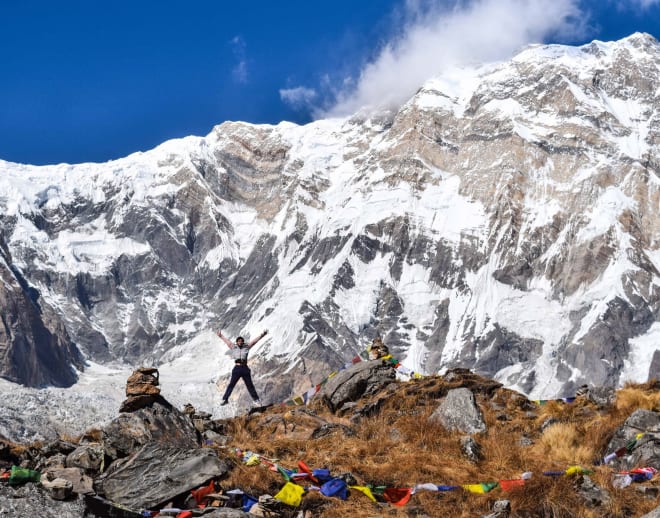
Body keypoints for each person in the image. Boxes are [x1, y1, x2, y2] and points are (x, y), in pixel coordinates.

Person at [217, 328, 268, 406]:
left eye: (241, 341)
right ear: (237, 342)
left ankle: (256, 400)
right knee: (231, 384)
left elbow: (254, 341)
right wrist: (221, 336)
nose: (240, 342)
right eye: (239, 341)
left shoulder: (246, 347)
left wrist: (262, 335)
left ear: (243, 342)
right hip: (237, 368)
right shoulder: (233, 347)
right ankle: (225, 399)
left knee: (250, 385)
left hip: (245, 368)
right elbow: (227, 342)